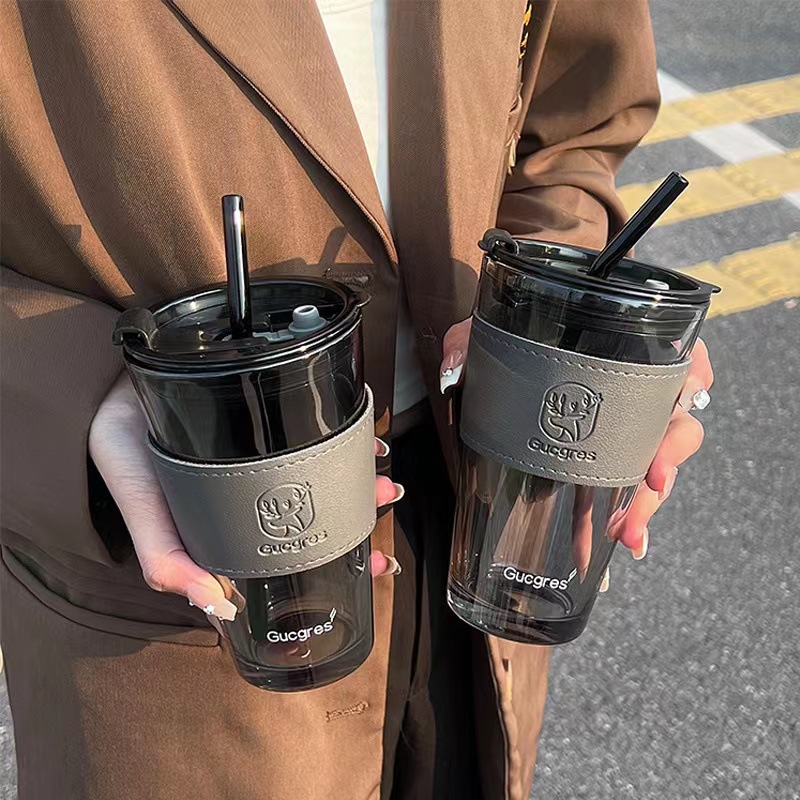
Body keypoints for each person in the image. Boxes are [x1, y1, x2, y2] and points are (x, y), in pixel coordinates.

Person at [0, 1, 713, 798]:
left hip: (479, 494)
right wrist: (70, 394)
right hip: (171, 572)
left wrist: (564, 312)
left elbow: (574, 118)